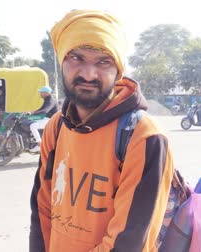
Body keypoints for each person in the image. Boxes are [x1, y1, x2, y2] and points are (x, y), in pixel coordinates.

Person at [29, 10, 174, 252]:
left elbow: (127, 243)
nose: (88, 74)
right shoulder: (57, 126)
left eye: (103, 62)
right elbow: (42, 209)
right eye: (76, 58)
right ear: (61, 62)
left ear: (118, 71)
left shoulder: (144, 137)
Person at [28, 86, 59, 152]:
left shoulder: (51, 100)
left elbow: (45, 110)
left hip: (52, 121)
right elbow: (41, 109)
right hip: (48, 119)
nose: (40, 93)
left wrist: (31, 113)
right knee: (30, 121)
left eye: (41, 92)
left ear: (46, 93)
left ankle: (40, 144)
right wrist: (31, 111)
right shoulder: (47, 99)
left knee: (32, 126)